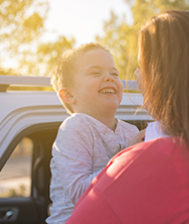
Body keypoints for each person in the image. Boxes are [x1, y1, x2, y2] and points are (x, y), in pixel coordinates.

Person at [66, 11, 189, 224]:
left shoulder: (148, 162)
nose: (136, 74)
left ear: (164, 76)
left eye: (142, 65)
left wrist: (126, 158)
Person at [46, 43, 139, 224]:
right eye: (96, 73)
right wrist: (129, 158)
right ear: (68, 95)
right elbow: (80, 193)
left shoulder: (131, 132)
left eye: (114, 74)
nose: (109, 78)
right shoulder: (74, 128)